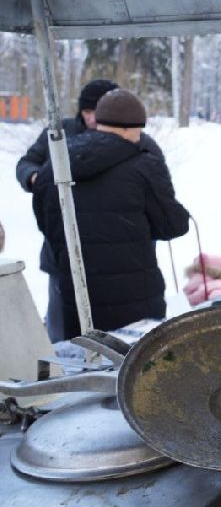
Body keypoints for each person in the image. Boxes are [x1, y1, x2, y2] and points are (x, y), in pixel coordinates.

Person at [31, 89, 190, 341]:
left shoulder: (57, 163)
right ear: (133, 127)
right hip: (135, 301)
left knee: (88, 371)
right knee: (136, 372)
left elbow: (45, 221)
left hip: (78, 300)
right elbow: (173, 225)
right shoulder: (144, 165)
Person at [15, 79, 164, 191]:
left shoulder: (136, 139)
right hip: (63, 220)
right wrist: (34, 177)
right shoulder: (59, 131)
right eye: (87, 112)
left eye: (97, 111)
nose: (92, 119)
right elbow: (27, 163)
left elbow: (159, 182)